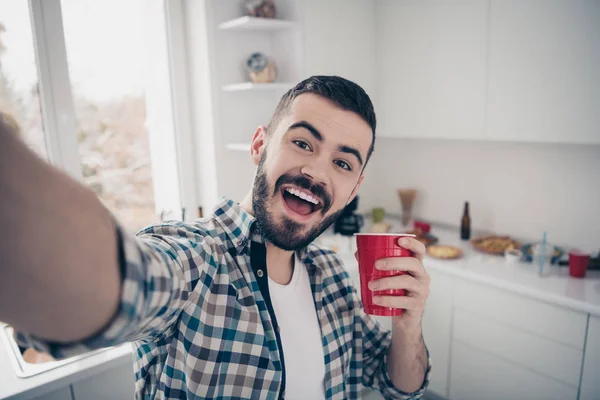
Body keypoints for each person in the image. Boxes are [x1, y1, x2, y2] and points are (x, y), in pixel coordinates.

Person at [0, 76, 431, 399]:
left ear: (353, 189)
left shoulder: (334, 278)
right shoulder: (195, 260)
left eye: (342, 163)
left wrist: (408, 327)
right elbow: (107, 286)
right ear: (260, 145)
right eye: (302, 143)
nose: (317, 172)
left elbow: (397, 387)